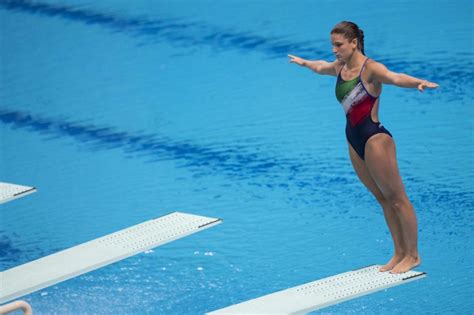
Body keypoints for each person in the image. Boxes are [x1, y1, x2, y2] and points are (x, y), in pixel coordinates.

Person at [288, 21, 438, 273]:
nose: (334, 50)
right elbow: (320, 67)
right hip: (353, 138)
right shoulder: (339, 67)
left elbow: (395, 77)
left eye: (338, 45)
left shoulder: (370, 69)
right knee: (382, 199)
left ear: (354, 43)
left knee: (398, 199)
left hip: (374, 138)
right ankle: (399, 252)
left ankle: (413, 255)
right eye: (332, 45)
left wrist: (417, 82)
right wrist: (304, 63)